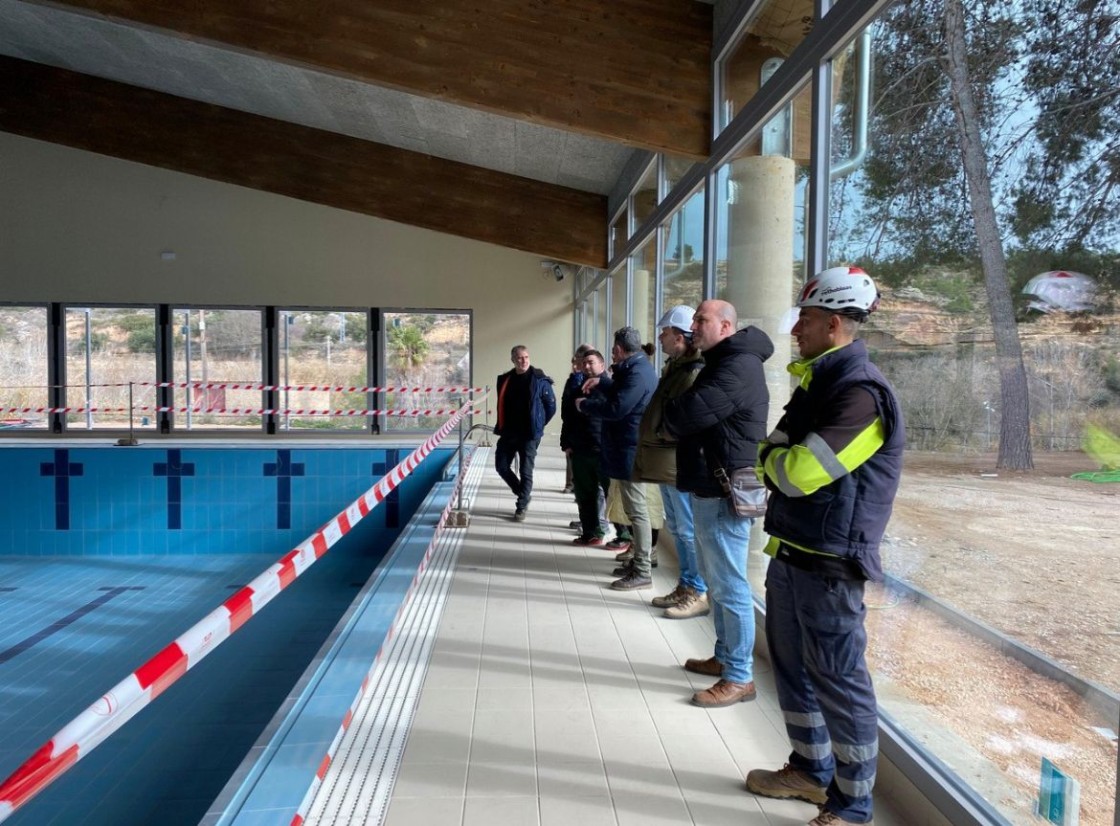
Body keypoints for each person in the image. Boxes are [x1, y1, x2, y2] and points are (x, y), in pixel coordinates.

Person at [746, 267, 904, 826]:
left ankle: (853, 805)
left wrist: (774, 463)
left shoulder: (861, 395)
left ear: (833, 323)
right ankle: (810, 773)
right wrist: (776, 460)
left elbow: (797, 471)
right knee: (793, 668)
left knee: (839, 681)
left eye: (805, 320)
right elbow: (778, 447)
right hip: (793, 552)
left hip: (832, 566)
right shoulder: (819, 384)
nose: (796, 329)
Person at [663, 300, 772, 707]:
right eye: (693, 320)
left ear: (726, 325)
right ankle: (726, 658)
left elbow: (685, 414)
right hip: (712, 483)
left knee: (729, 585)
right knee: (718, 581)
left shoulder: (737, 365)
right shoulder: (721, 361)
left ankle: (740, 677)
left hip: (725, 488)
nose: (693, 326)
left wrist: (675, 413)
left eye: (701, 319)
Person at [631, 305, 710, 619]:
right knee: (677, 527)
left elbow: (690, 418)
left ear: (680, 336)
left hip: (679, 461)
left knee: (688, 530)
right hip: (667, 460)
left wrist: (663, 432)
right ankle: (686, 584)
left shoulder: (693, 370)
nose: (660, 338)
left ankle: (697, 590)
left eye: (664, 333)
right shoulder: (676, 366)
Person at [576, 326, 658, 590]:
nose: (612, 355)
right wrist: (604, 382)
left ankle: (643, 568)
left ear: (620, 350)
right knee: (633, 509)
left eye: (612, 351)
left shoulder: (638, 372)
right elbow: (623, 394)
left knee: (637, 510)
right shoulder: (636, 369)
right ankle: (638, 560)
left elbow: (618, 408)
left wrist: (585, 405)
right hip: (625, 447)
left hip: (630, 449)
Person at [493, 345, 556, 521]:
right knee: (501, 466)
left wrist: (539, 424)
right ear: (513, 360)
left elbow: (551, 406)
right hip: (509, 432)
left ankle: (521, 506)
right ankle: (523, 493)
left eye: (526, 357)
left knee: (526, 471)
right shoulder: (505, 379)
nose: (524, 360)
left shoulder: (539, 380)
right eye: (520, 358)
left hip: (529, 434)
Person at [561, 346, 607, 544]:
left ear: (602, 365)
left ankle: (624, 536)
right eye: (584, 363)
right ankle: (591, 532)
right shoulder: (578, 385)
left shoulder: (610, 387)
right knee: (584, 494)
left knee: (610, 493)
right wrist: (566, 442)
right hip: (580, 448)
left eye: (592, 363)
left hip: (602, 449)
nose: (587, 366)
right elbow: (569, 416)